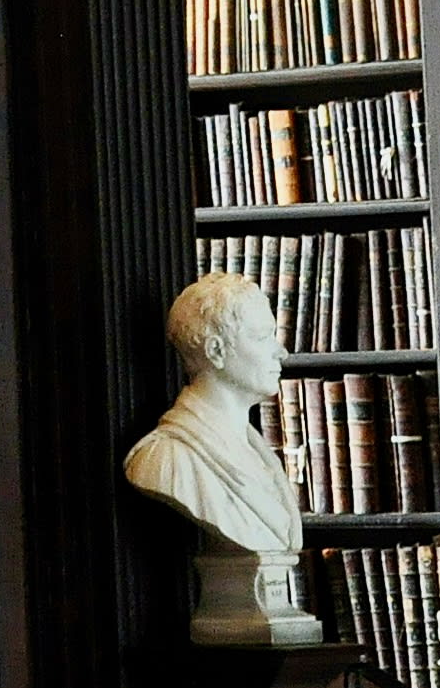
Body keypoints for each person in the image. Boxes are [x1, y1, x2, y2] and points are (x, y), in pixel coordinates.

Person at [126, 270, 320, 644]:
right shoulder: (164, 460)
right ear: (215, 350)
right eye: (263, 337)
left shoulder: (261, 455)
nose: (281, 351)